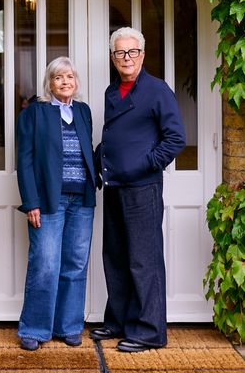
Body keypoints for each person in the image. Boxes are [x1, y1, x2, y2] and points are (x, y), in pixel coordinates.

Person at [91, 27, 185, 352]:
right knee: (115, 257)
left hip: (143, 187)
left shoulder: (158, 91)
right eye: (120, 53)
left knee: (143, 260)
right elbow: (117, 135)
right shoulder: (111, 92)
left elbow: (175, 139)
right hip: (114, 186)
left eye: (132, 52)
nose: (126, 58)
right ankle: (119, 321)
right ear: (113, 58)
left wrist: (146, 163)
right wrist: (100, 159)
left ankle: (148, 331)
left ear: (142, 55)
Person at [15, 56, 98, 351]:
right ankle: (35, 329)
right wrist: (31, 202)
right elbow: (24, 161)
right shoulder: (35, 113)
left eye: (70, 77)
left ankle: (70, 326)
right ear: (49, 83)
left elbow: (88, 150)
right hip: (49, 201)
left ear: (76, 83)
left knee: (75, 264)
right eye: (58, 77)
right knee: (45, 264)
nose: (65, 82)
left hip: (83, 199)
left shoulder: (83, 111)